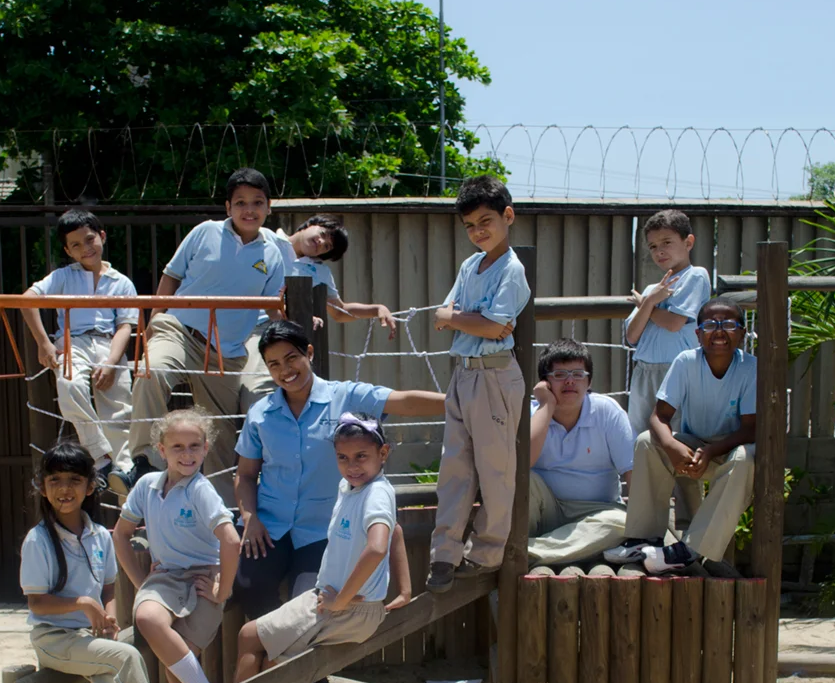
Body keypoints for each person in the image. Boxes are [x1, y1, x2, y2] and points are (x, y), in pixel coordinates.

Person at [233, 319, 444, 683]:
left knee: (307, 622)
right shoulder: (260, 414)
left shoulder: (345, 396)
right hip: (271, 527)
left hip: (323, 535)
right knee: (249, 589)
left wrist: (462, 403)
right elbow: (245, 475)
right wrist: (249, 518)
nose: (285, 370)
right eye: (274, 364)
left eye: (292, 357)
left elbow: (403, 400)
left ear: (309, 352)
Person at [231, 413, 402, 683]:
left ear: (383, 453)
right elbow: (394, 532)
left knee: (248, 636)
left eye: (361, 456)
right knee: (274, 665)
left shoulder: (375, 494)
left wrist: (342, 600)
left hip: (344, 607)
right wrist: (406, 589)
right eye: (343, 457)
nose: (352, 465)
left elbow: (378, 546)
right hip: (333, 601)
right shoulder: (352, 487)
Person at [122, 168, 286, 504]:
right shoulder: (204, 232)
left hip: (227, 352)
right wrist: (154, 321)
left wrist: (291, 336)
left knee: (220, 437)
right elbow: (171, 275)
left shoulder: (273, 253)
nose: (249, 210)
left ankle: (223, 514)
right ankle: (143, 463)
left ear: (268, 207)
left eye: (257, 202)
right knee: (152, 371)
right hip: (179, 331)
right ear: (228, 207)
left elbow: (274, 309)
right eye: (240, 202)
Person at [19, 441, 170, 683]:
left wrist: (109, 620)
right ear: (42, 487)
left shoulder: (101, 535)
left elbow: (109, 589)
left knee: (120, 670)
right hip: (54, 639)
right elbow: (37, 603)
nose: (64, 488)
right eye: (55, 480)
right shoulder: (38, 540)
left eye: (74, 480)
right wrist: (85, 605)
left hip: (89, 637)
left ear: (90, 486)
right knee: (125, 659)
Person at [113, 410, 241, 683]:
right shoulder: (146, 486)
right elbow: (120, 534)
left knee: (179, 663)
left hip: (204, 578)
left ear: (206, 448)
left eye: (194, 446)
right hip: (166, 576)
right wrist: (141, 583)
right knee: (148, 618)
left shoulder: (200, 489)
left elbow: (231, 540)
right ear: (161, 449)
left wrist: (223, 589)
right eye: (178, 447)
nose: (187, 455)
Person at [426, 175, 530, 592]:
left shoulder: (512, 270)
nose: (478, 231)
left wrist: (460, 319)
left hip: (494, 375)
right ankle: (444, 553)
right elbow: (446, 314)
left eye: (486, 221)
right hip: (463, 372)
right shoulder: (470, 266)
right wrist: (466, 319)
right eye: (470, 226)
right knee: (454, 465)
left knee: (495, 468)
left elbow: (491, 326)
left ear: (508, 216)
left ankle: (487, 552)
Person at [613, 300, 756, 574]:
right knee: (647, 441)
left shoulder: (751, 368)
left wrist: (712, 451)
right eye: (710, 325)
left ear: (742, 333)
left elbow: (751, 428)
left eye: (728, 324)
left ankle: (690, 549)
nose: (719, 331)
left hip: (730, 451)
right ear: (698, 334)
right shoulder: (686, 362)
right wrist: (671, 446)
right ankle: (643, 539)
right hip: (694, 449)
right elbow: (659, 416)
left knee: (745, 457)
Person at [20, 209, 137, 486]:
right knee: (69, 386)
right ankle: (100, 456)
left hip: (109, 343)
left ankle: (124, 473)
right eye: (75, 245)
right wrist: (43, 343)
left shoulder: (121, 282)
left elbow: (125, 326)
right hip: (73, 342)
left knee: (118, 408)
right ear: (68, 251)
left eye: (89, 239)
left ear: (102, 236)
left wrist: (111, 361)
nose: (85, 248)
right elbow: (27, 299)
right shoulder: (63, 276)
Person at [527, 339, 635, 570]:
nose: (569, 381)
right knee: (521, 481)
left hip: (599, 513)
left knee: (623, 522)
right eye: (559, 375)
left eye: (578, 374)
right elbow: (522, 465)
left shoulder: (608, 412)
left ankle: (527, 552)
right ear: (545, 382)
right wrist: (546, 406)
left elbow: (632, 473)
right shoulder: (532, 414)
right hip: (547, 512)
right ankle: (566, 550)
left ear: (589, 381)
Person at [625, 209, 711, 436]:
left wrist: (646, 306)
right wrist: (651, 301)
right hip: (644, 370)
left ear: (688, 242)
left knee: (676, 433)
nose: (659, 251)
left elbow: (674, 323)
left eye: (667, 242)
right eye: (653, 246)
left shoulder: (695, 276)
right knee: (640, 434)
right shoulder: (650, 291)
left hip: (677, 369)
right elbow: (632, 336)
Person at [265, 215, 398, 336]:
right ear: (311, 224)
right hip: (255, 322)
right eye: (322, 234)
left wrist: (376, 309)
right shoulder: (266, 238)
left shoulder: (320, 272)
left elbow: (339, 312)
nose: (321, 242)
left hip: (285, 335)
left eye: (327, 246)